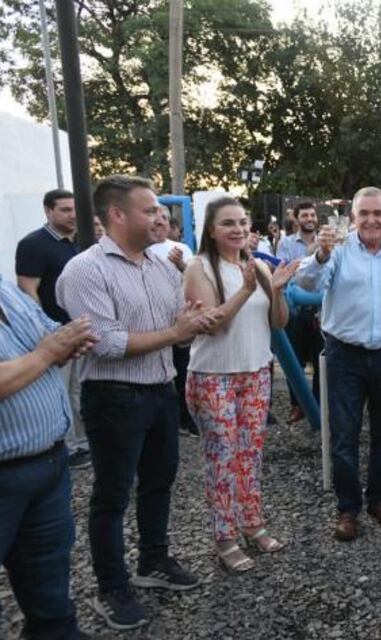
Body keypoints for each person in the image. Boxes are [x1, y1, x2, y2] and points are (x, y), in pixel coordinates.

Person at [56, 175, 219, 631]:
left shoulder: (160, 265)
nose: (159, 217)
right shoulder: (86, 270)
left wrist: (194, 320)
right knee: (111, 496)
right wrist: (177, 333)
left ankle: (153, 562)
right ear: (116, 215)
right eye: (149, 210)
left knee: (158, 483)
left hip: (159, 391)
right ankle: (112, 586)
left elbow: (175, 319)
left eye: (158, 210)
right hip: (113, 398)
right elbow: (106, 342)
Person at [294, 186, 381, 542]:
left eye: (378, 213)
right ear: (354, 217)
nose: (371, 220)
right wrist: (321, 255)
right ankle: (347, 508)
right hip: (345, 355)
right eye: (364, 213)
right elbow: (307, 282)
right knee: (344, 435)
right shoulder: (337, 251)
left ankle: (378, 498)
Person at [182, 197, 299, 573]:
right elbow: (211, 323)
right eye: (228, 223)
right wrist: (246, 290)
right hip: (213, 375)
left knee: (250, 455)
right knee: (223, 459)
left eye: (243, 222)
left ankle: (252, 522)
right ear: (211, 230)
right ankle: (224, 536)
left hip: (256, 372)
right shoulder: (199, 267)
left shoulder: (258, 267)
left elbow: (279, 323)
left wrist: (275, 289)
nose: (238, 229)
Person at [0, 278, 98, 640]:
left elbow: (45, 332)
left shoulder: (5, 287)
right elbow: (43, 351)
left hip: (47, 465)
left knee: (47, 572)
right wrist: (48, 353)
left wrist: (70, 339)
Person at [15, 189, 91, 469]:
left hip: (82, 328)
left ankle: (82, 442)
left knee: (79, 389)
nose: (72, 215)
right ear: (48, 211)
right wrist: (45, 330)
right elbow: (28, 288)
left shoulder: (82, 242)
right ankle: (67, 446)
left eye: (75, 209)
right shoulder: (34, 244)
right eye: (65, 210)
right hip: (55, 332)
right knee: (59, 388)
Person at [149, 209, 199, 438]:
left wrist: (180, 265)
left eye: (165, 220)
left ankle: (186, 418)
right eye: (155, 219)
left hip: (178, 318)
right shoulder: (141, 248)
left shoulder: (181, 249)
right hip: (151, 322)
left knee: (182, 368)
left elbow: (194, 277)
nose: (160, 223)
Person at [276, 201, 322, 423]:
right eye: (305, 215)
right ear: (296, 219)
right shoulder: (286, 243)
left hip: (319, 309)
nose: (310, 219)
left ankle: (318, 405)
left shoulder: (326, 240)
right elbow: (286, 272)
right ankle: (298, 404)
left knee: (320, 358)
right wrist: (312, 257)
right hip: (295, 309)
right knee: (294, 359)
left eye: (313, 215)